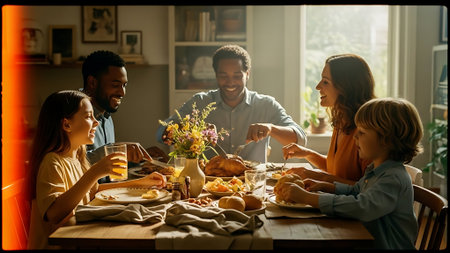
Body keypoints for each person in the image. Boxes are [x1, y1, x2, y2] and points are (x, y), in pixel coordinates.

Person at [276, 98, 423, 250]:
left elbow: (362, 207)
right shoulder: (376, 170)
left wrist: (307, 197)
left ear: (386, 139)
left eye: (362, 132)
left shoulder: (393, 178)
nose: (354, 137)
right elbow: (356, 191)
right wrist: (327, 187)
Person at [27, 90, 166, 249]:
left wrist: (141, 183)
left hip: (78, 237)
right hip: (59, 245)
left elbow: (93, 191)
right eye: (88, 116)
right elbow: (54, 213)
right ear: (67, 124)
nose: (96, 122)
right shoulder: (52, 161)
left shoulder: (76, 157)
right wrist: (95, 172)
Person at [156, 45, 306, 163]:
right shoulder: (200, 102)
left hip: (251, 184)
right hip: (207, 185)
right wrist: (195, 132)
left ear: (247, 74)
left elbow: (300, 138)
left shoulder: (266, 104)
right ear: (216, 75)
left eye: (237, 75)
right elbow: (160, 132)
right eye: (223, 76)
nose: (230, 82)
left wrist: (271, 129)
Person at [282, 54, 374, 184]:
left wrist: (317, 176)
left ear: (345, 88)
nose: (318, 87)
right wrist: (308, 154)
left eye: (325, 82)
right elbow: (336, 169)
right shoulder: (341, 122)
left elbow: (369, 188)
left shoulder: (367, 130)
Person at [81, 50, 151, 183]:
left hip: (108, 195)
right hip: (86, 201)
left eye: (124, 85)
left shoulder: (106, 115)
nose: (122, 93)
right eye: (115, 85)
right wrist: (116, 150)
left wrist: (141, 159)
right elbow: (74, 164)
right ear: (92, 83)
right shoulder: (72, 112)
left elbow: (108, 170)